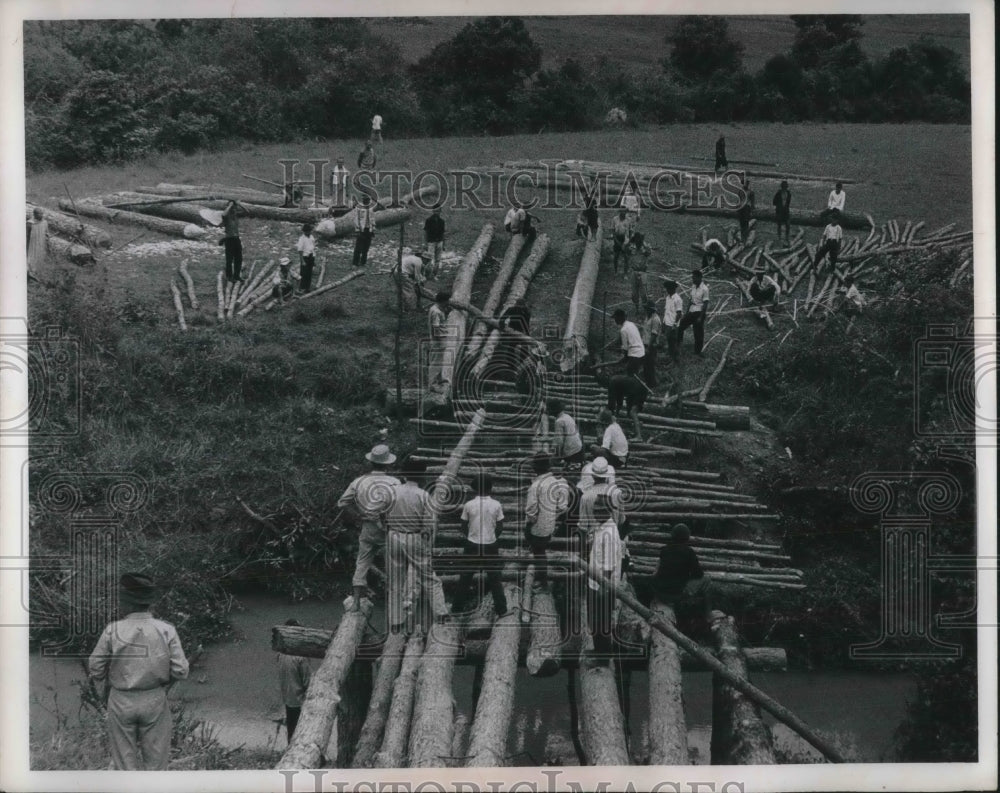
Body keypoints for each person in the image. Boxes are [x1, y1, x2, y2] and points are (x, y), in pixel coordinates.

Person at [88, 573, 189, 770]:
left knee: (125, 765)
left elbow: (95, 666)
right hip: (154, 698)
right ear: (149, 602)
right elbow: (181, 670)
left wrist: (105, 676)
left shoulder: (112, 630)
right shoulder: (166, 629)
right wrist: (161, 677)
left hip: (121, 700)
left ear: (127, 603)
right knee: (157, 764)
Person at [386, 457, 449, 632]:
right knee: (429, 577)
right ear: (421, 476)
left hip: (393, 535)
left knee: (396, 580)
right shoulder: (423, 495)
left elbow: (382, 512)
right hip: (414, 536)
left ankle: (397, 622)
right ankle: (441, 613)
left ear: (404, 474)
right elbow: (428, 524)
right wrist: (426, 540)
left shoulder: (392, 492)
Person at [336, 444, 401, 609]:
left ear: (371, 462)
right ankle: (393, 603)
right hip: (389, 528)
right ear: (388, 464)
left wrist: (358, 516)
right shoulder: (395, 482)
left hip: (368, 526)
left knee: (362, 562)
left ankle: (356, 602)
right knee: (392, 565)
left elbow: (342, 503)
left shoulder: (359, 482)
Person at [641, 524, 713, 632]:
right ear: (687, 537)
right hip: (676, 594)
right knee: (707, 579)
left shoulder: (664, 550)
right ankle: (708, 615)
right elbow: (698, 575)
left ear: (672, 535)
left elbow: (656, 572)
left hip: (660, 592)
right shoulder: (689, 552)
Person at [458, 473, 510, 617]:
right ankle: (502, 610)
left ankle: (457, 609)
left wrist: (470, 536)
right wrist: (492, 536)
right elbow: (500, 526)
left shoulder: (468, 505)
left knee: (465, 577)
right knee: (495, 579)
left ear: (475, 489)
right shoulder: (496, 505)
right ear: (490, 488)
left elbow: (463, 525)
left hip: (472, 544)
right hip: (490, 545)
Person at [585, 493, 624, 665]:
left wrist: (603, 587)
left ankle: (602, 659)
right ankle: (598, 650)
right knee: (595, 622)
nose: (594, 513)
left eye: (598, 511)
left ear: (606, 512)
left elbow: (608, 565)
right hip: (596, 582)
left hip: (602, 585)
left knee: (602, 623)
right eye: (594, 510)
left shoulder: (608, 532)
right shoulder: (602, 527)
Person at [523, 453, 571, 588]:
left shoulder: (536, 486)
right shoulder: (558, 482)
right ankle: (541, 577)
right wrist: (553, 516)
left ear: (535, 468)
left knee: (539, 553)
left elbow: (531, 510)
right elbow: (562, 506)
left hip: (538, 526)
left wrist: (529, 524)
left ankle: (542, 582)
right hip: (549, 524)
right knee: (541, 551)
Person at [277, 619, 312, 743]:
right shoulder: (301, 656)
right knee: (304, 733)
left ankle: (289, 753)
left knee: (292, 731)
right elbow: (308, 682)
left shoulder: (281, 653)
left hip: (287, 698)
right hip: (300, 701)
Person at [677, 269, 710, 356]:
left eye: (694, 278)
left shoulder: (705, 289)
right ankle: (679, 344)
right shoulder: (693, 286)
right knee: (681, 325)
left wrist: (700, 317)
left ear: (700, 278)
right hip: (692, 310)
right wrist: (686, 312)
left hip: (699, 312)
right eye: (692, 278)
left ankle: (698, 351)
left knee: (698, 332)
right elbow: (690, 300)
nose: (693, 280)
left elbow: (705, 304)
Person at [547, 398, 584, 467]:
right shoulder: (567, 417)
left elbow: (558, 442)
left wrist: (552, 455)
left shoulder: (559, 421)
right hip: (578, 449)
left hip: (571, 453)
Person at [426, 290, 451, 388]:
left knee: (440, 360)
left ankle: (439, 378)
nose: (448, 302)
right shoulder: (436, 312)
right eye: (447, 300)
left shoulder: (436, 308)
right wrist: (440, 341)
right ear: (443, 300)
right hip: (438, 340)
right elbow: (435, 327)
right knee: (436, 362)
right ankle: (432, 384)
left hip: (440, 338)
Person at [611, 308, 645, 376]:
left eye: (615, 318)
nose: (615, 320)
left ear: (620, 317)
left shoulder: (623, 330)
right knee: (635, 373)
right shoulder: (631, 324)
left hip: (634, 354)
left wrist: (623, 359)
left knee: (631, 374)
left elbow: (625, 348)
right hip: (641, 352)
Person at [220, 200, 247, 282]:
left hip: (236, 239)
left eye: (235, 208)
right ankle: (229, 276)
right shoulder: (226, 217)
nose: (234, 210)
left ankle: (237, 276)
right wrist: (230, 205)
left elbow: (247, 211)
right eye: (233, 208)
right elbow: (223, 214)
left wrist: (240, 204)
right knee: (229, 259)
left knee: (239, 258)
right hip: (229, 239)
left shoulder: (236, 216)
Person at [662, 279, 684, 365]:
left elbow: (679, 313)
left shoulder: (677, 299)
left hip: (673, 324)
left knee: (674, 342)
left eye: (668, 289)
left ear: (672, 289)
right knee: (669, 341)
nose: (667, 290)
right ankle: (670, 356)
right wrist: (664, 322)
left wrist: (675, 325)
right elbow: (666, 311)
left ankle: (675, 360)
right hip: (667, 323)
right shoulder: (668, 298)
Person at [641, 299, 661, 386]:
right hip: (645, 344)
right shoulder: (647, 317)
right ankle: (648, 382)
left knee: (650, 365)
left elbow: (654, 334)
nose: (645, 310)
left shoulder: (655, 319)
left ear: (651, 309)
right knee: (646, 365)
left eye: (647, 309)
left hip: (651, 345)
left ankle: (652, 383)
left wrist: (648, 347)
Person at [352, 195, 376, 268]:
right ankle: (355, 263)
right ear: (363, 200)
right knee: (358, 247)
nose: (367, 201)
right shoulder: (359, 208)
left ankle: (363, 262)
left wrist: (373, 228)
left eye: (368, 200)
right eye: (365, 200)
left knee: (366, 247)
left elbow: (372, 218)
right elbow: (356, 219)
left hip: (368, 229)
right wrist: (357, 229)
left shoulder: (371, 208)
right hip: (361, 229)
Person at [423, 204, 445, 278]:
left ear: (440, 211)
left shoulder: (442, 221)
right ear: (433, 211)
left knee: (438, 260)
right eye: (435, 211)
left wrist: (443, 244)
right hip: (431, 242)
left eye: (438, 211)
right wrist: (426, 243)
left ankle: (435, 274)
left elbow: (443, 233)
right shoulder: (428, 220)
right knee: (430, 259)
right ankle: (429, 274)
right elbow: (426, 232)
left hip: (439, 241)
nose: (437, 213)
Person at [27, 206, 48, 279]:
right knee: (32, 256)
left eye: (42, 214)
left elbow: (46, 232)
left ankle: (37, 271)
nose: (41, 215)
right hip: (32, 243)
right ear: (35, 214)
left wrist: (47, 237)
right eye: (39, 214)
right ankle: (30, 272)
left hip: (41, 242)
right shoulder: (30, 223)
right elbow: (27, 234)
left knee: (39, 256)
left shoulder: (44, 222)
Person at [296, 223, 317, 293]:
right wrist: (302, 260)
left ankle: (307, 287)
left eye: (310, 231)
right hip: (305, 257)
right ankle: (302, 287)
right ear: (304, 231)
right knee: (304, 273)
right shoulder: (302, 239)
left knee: (309, 273)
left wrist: (313, 258)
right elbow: (300, 250)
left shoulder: (311, 237)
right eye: (307, 231)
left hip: (311, 256)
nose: (309, 232)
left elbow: (313, 248)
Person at [611, 209, 634, 274]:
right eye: (621, 211)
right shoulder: (615, 219)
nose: (623, 213)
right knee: (616, 256)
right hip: (617, 238)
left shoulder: (629, 220)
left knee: (626, 257)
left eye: (624, 211)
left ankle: (625, 274)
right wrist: (616, 240)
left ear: (626, 212)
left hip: (625, 239)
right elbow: (612, 230)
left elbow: (631, 230)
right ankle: (615, 271)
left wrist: (629, 241)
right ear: (619, 212)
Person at [737, 178, 755, 243]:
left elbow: (752, 203)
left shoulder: (750, 192)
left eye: (747, 183)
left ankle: (745, 237)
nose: (746, 185)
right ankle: (742, 238)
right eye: (745, 183)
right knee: (742, 223)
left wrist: (752, 211)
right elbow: (739, 200)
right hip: (741, 208)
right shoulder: (740, 191)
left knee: (746, 223)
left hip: (747, 208)